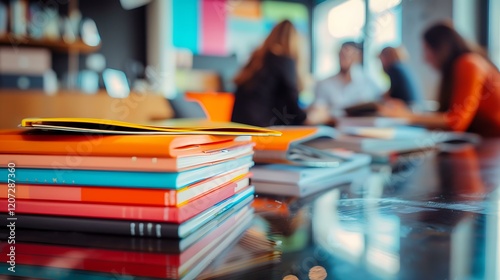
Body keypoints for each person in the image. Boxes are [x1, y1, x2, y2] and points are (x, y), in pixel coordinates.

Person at [379, 22, 500, 137]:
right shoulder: (461, 65)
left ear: (441, 48)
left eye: (426, 49)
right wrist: (408, 113)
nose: (424, 58)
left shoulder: (468, 63)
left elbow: (456, 122)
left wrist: (408, 116)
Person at [231, 20, 307, 127]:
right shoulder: (284, 61)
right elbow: (293, 110)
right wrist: (310, 116)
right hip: (261, 130)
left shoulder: (256, 60)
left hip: (239, 128)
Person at [308, 41, 382, 123]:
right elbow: (318, 109)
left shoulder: (370, 82)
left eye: (350, 54)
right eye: (342, 54)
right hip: (334, 129)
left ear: (359, 56)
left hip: (366, 128)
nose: (345, 57)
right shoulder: (324, 84)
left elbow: (380, 105)